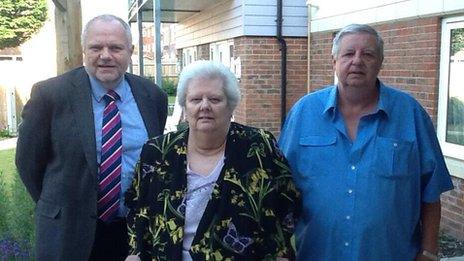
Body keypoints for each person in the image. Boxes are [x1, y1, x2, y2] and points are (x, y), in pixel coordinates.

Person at [278, 24, 454, 261]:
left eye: (368, 54)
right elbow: (279, 187)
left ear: (380, 62)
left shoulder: (410, 114)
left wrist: (429, 253)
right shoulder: (303, 113)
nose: (357, 61)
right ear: (334, 61)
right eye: (349, 54)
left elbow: (431, 193)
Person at [15, 14, 167, 260]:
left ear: (131, 50)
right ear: (84, 50)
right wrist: (57, 207)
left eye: (115, 48)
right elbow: (28, 163)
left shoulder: (153, 96)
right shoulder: (50, 95)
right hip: (68, 233)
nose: (105, 55)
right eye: (96, 47)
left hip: (133, 235)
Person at [124, 60, 300, 260]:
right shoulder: (157, 152)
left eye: (215, 99)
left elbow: (288, 201)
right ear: (185, 106)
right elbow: (137, 207)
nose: (205, 106)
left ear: (230, 105)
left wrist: (281, 252)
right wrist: (135, 252)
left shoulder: (259, 146)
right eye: (196, 99)